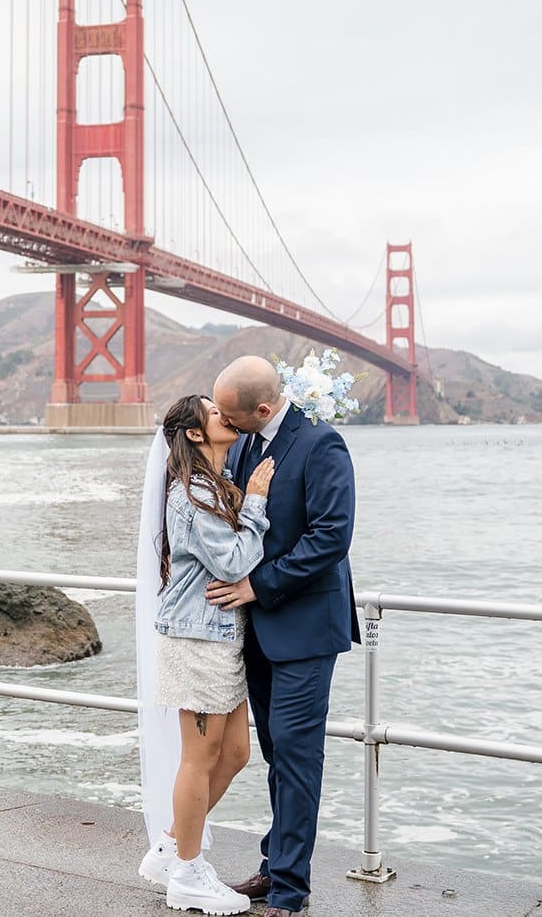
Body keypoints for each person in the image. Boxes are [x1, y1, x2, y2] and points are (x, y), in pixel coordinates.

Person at [204, 356, 362, 917]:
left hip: (305, 629)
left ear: (264, 409)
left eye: (227, 412)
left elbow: (331, 539)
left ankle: (290, 891)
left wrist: (256, 585)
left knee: (297, 758)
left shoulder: (323, 446)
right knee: (277, 756)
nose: (220, 420)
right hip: (260, 633)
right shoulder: (246, 443)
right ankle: (275, 868)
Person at [135, 394, 276, 915]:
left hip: (219, 638)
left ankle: (171, 846)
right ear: (195, 434)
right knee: (199, 758)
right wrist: (257, 502)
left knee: (236, 752)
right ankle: (188, 875)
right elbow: (236, 559)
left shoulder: (213, 485)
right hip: (196, 640)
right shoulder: (193, 492)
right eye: (216, 414)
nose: (227, 416)